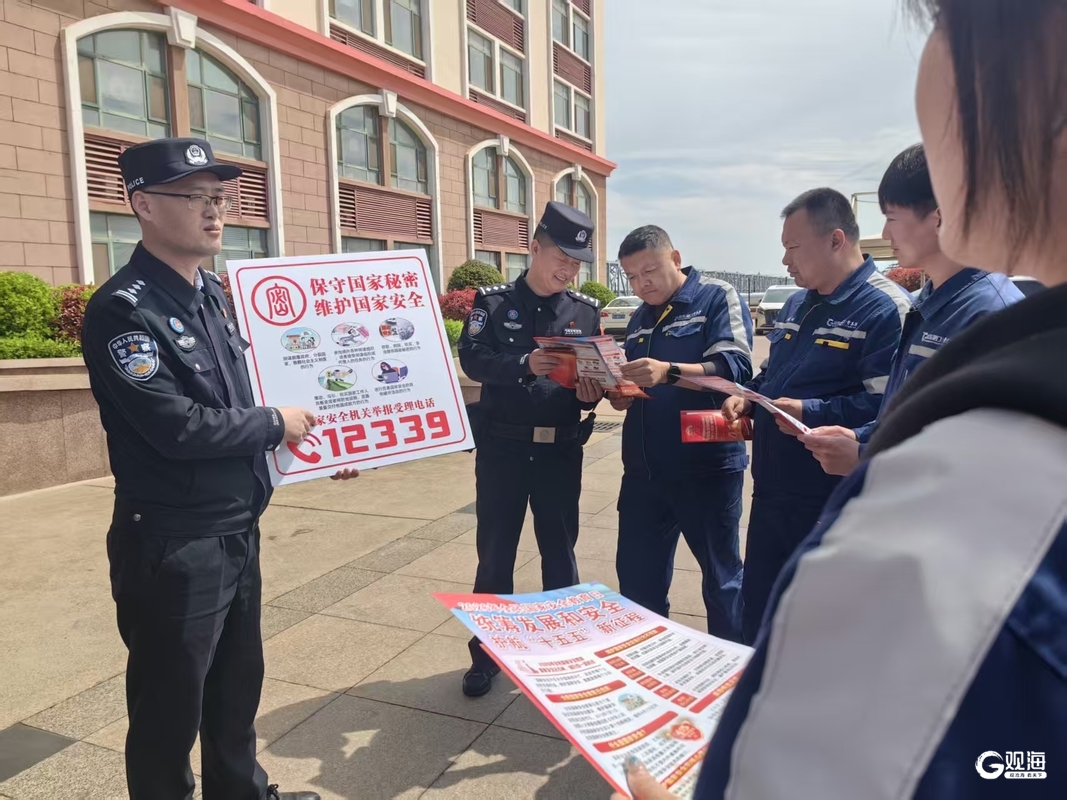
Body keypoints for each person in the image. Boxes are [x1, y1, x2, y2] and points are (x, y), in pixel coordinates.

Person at [615, 1, 1067, 797]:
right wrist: (753, 405)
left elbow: (948, 725)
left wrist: (839, 433)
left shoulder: (983, 351)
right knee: (762, 625)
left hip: (823, 491)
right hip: (784, 490)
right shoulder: (828, 307)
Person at [81, 138, 354, 800]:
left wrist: (319, 447)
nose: (215, 211)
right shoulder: (125, 309)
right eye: (195, 197)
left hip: (235, 526)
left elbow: (248, 397)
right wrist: (275, 425)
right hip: (173, 543)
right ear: (143, 205)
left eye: (219, 198)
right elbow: (176, 426)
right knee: (169, 710)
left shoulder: (214, 296)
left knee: (235, 687)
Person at [721, 188, 911, 644]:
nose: (785, 260)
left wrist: (811, 411)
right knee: (759, 616)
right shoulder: (796, 304)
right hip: (772, 493)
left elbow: (890, 405)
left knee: (819, 632)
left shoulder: (886, 308)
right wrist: (748, 397)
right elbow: (773, 374)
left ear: (836, 240)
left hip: (828, 499)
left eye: (793, 247)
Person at [801, 144, 1024, 475]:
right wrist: (864, 437)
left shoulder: (993, 317)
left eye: (891, 218)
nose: (885, 233)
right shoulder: (929, 303)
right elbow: (911, 415)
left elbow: (986, 457)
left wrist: (866, 458)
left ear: (940, 217)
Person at [458, 200, 604, 697]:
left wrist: (594, 392)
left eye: (577, 263)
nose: (569, 270)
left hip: (560, 453)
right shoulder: (494, 303)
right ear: (535, 248)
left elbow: (590, 382)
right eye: (561, 258)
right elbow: (473, 358)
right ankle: (486, 656)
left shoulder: (584, 312)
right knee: (495, 556)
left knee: (560, 555)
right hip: (503, 451)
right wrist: (525, 364)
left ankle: (563, 654)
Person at [608, 226, 753, 642]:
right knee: (637, 580)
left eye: (650, 271)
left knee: (723, 580)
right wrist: (621, 394)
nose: (642, 284)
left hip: (705, 468)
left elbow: (735, 368)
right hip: (644, 471)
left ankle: (734, 668)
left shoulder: (715, 296)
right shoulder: (640, 316)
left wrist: (668, 372)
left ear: (675, 259)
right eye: (632, 277)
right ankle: (650, 660)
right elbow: (638, 381)